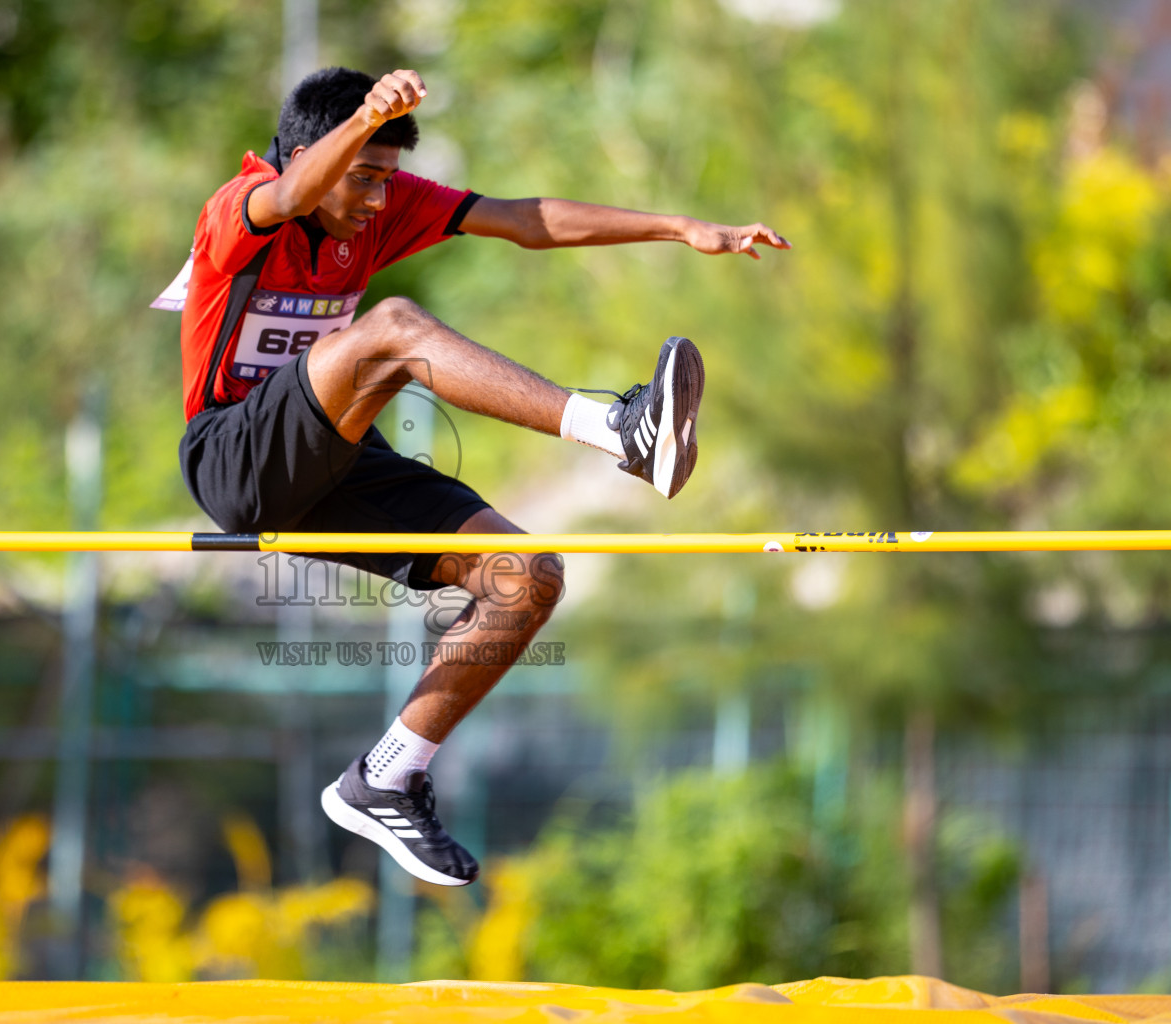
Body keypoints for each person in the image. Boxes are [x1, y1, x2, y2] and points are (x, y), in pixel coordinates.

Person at [157, 67, 789, 887]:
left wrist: (681, 227)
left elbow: (526, 220)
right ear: (312, 153)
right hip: (233, 458)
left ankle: (387, 774)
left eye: (388, 179)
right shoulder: (238, 211)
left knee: (525, 577)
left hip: (335, 458)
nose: (379, 200)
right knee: (391, 329)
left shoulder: (375, 203)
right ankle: (615, 432)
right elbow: (285, 196)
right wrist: (364, 121)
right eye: (363, 177)